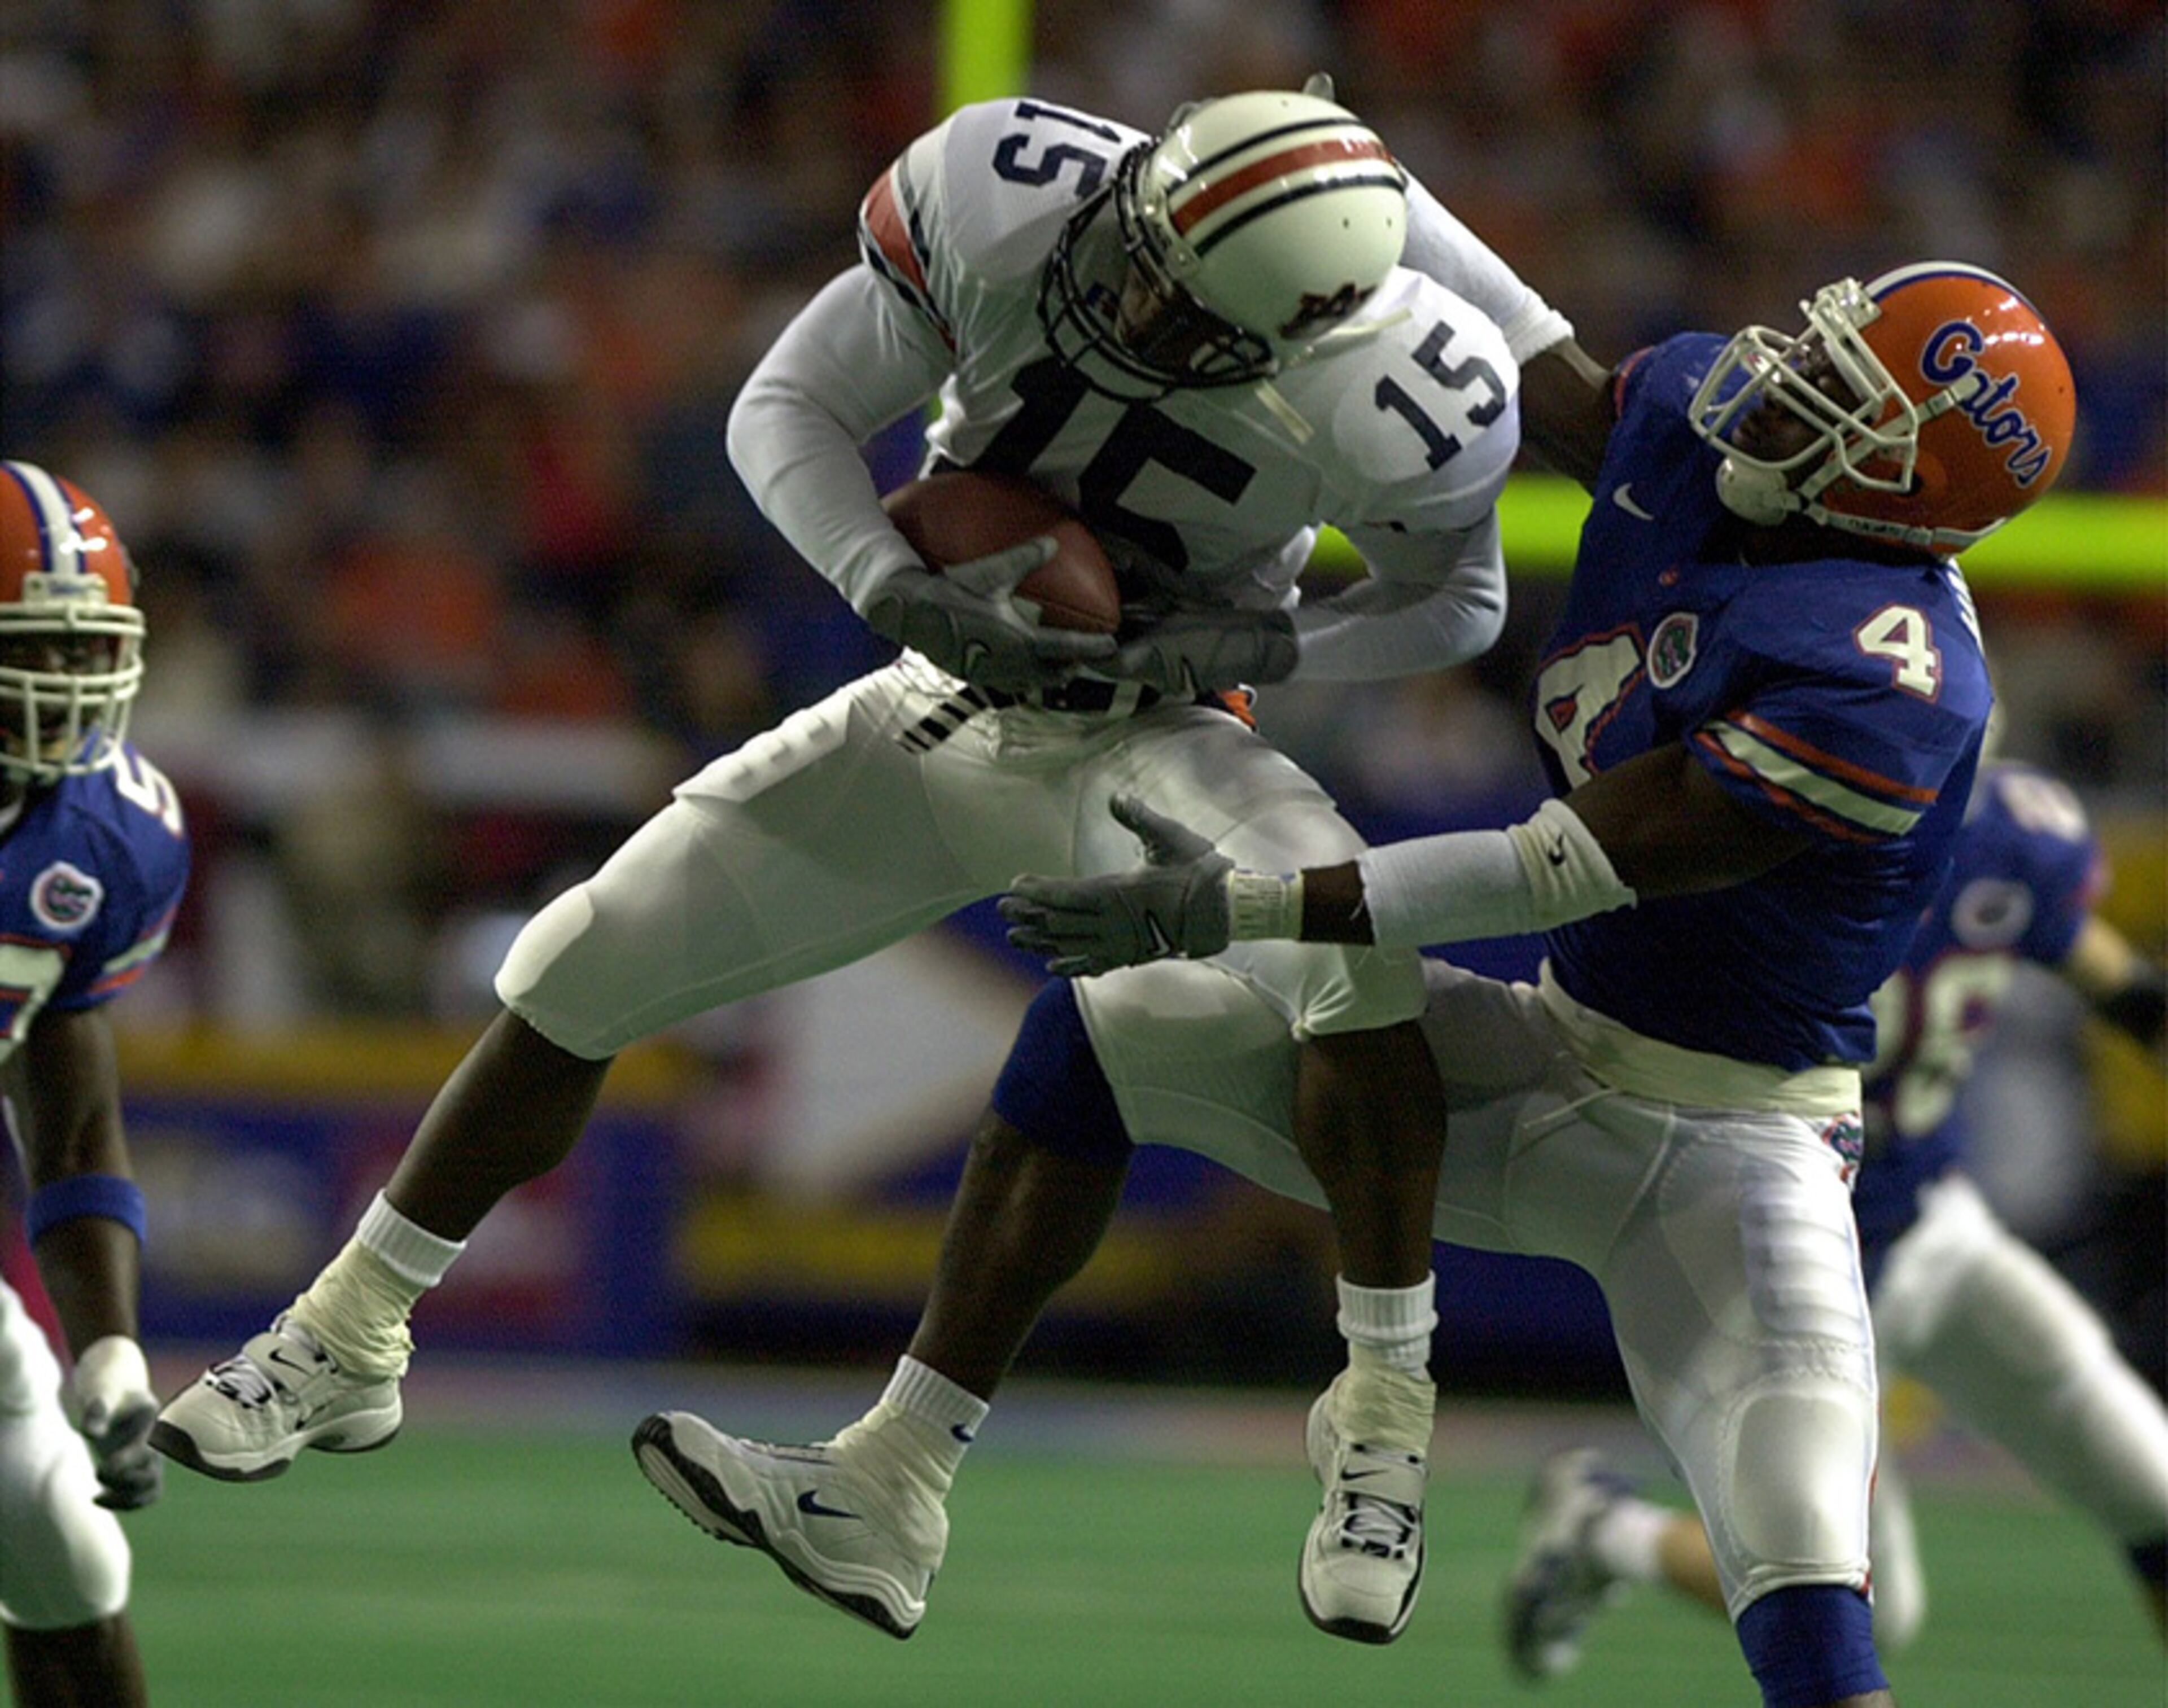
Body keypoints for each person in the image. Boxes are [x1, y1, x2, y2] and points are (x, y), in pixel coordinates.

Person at [154, 84, 1573, 1644]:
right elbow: (788, 406)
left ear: (1299, 330)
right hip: (939, 700)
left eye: (1181, 307)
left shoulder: (1405, 380)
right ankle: (350, 1332)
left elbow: (1460, 604)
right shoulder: (1017, 198)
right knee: (581, 957)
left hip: (1156, 736)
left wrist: (1254, 641)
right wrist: (890, 582)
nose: (1128, 296)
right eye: (1143, 251)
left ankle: (1382, 1412)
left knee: (1351, 944)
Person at [869, 258, 2076, 1708]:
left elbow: (1557, 866)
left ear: (1909, 489)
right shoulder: (1706, 441)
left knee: (1812, 1595)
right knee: (1102, 1031)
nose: (1793, 382)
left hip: (1742, 1151)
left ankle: (1424, 1435)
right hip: (1554, 1051)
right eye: (1824, 350)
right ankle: (896, 1472)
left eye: (1846, 396)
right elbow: (1529, 335)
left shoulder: (1892, 678)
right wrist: (1334, 196)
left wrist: (1240, 902)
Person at [1501, 756, 2168, 1679]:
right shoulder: (1763, 826)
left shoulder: (2011, 837)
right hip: (1810, 1258)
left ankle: (1600, 1523)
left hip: (1935, 1223)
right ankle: (1606, 1526)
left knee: (2156, 1490)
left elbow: (2123, 988)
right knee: (1869, 1609)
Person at [0, 461, 187, 1708]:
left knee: (59, 1545)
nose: (63, 684)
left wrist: (108, 1344)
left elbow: (68, 1118)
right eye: (31, 649)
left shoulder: (104, 836)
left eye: (83, 648)